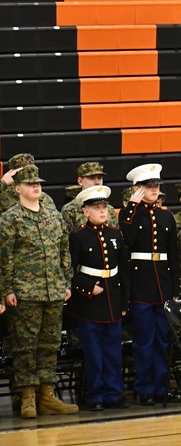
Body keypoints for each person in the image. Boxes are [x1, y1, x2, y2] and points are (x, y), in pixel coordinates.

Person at [0, 164, 78, 418]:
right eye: (30, 183)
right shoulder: (10, 219)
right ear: (18, 188)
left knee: (50, 344)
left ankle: (47, 394)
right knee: (25, 346)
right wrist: (6, 289)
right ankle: (27, 397)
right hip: (24, 293)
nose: (36, 186)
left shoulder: (53, 215)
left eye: (39, 183)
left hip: (53, 290)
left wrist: (66, 282)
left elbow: (64, 250)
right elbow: (4, 258)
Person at [119, 163, 181, 405]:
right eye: (149, 185)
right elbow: (128, 239)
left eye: (156, 185)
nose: (154, 189)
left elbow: (173, 255)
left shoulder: (166, 215)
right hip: (141, 284)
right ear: (137, 189)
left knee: (163, 340)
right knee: (144, 340)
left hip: (162, 285)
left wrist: (175, 288)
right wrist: (132, 208)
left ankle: (161, 387)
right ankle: (145, 388)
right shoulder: (130, 214)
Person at [68, 184, 131, 411]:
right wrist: (86, 287)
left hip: (112, 298)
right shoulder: (78, 236)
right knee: (94, 354)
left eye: (104, 207)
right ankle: (95, 395)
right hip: (89, 302)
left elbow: (123, 269)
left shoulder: (115, 235)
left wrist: (124, 300)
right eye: (96, 208)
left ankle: (113, 394)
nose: (102, 212)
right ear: (86, 211)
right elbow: (69, 269)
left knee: (113, 352)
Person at [61, 161, 118, 234]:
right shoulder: (69, 210)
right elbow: (68, 241)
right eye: (92, 178)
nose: (97, 182)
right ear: (80, 181)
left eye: (99, 178)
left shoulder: (110, 210)